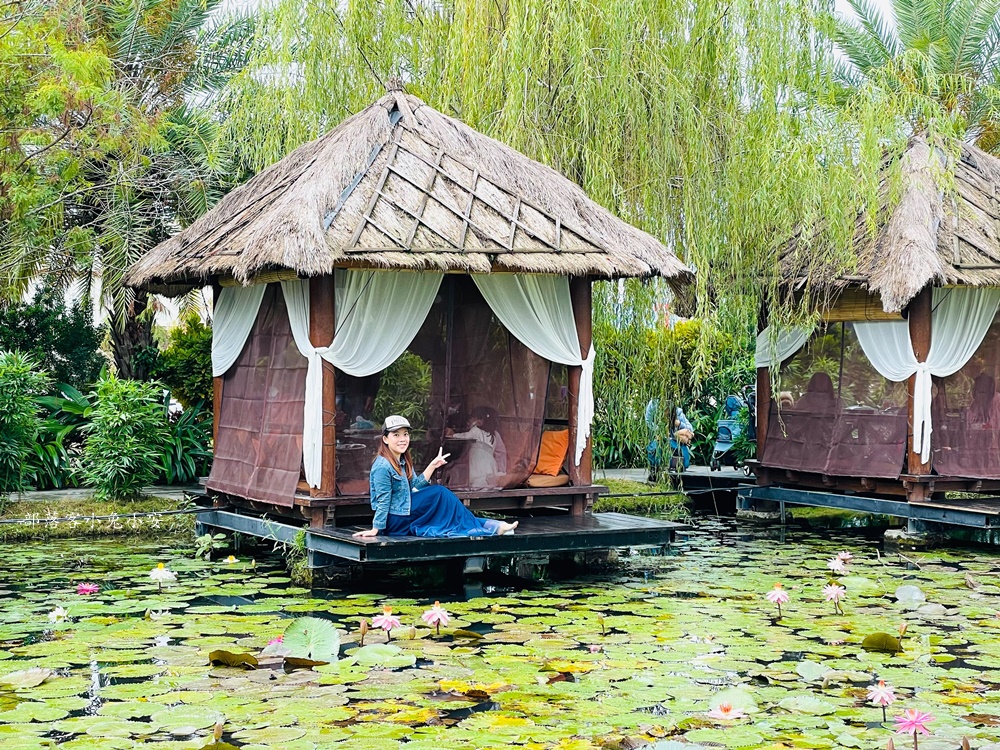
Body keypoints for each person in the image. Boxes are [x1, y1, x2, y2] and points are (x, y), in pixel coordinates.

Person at [353, 415, 518, 539]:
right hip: (395, 519)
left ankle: (495, 526)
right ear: (385, 439)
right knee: (440, 493)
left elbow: (415, 485)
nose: (402, 439)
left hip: (405, 510)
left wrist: (433, 465)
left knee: (449, 514)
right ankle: (492, 526)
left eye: (405, 434)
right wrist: (376, 529)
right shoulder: (382, 466)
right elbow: (383, 500)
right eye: (396, 435)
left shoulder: (402, 460)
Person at [446, 406, 508, 489]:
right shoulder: (493, 435)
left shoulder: (475, 430)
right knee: (485, 478)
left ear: (479, 421)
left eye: (472, 418)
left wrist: (452, 435)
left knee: (476, 476)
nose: (469, 421)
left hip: (476, 460)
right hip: (490, 463)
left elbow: (465, 436)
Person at [645, 399, 695, 477]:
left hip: (674, 441)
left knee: (684, 463)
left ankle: (677, 464)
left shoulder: (678, 412)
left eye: (668, 411)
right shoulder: (653, 406)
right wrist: (658, 431)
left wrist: (679, 424)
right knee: (654, 448)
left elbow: (690, 429)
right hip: (659, 440)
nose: (666, 413)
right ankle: (655, 468)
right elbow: (648, 421)